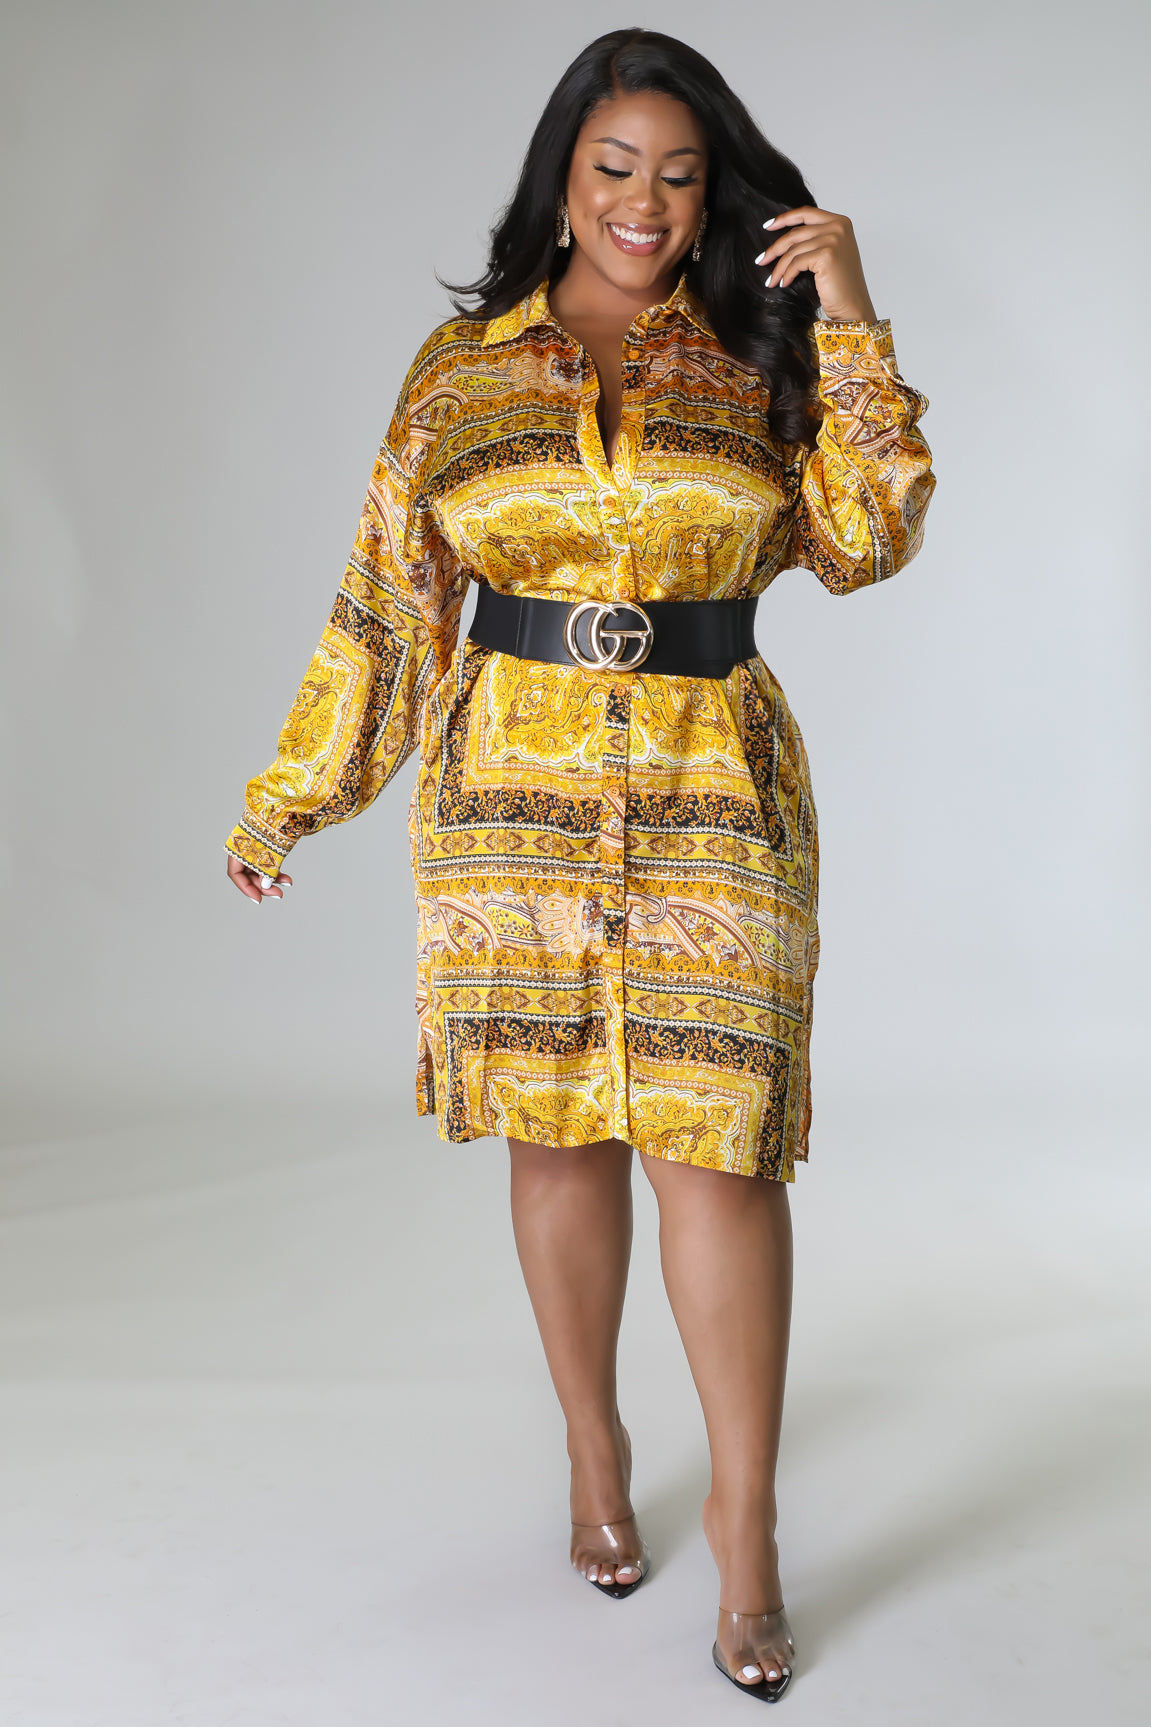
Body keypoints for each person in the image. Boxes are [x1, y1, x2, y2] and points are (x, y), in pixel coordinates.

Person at [224, 27, 934, 1703]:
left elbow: (870, 536)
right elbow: (390, 605)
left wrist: (850, 312)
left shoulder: (759, 348)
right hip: (512, 802)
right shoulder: (457, 372)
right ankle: (595, 1445)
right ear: (561, 178)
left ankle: (747, 1530)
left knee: (720, 1158)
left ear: (716, 196)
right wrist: (291, 798)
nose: (646, 202)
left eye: (681, 176)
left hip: (713, 794)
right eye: (616, 167)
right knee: (556, 1135)